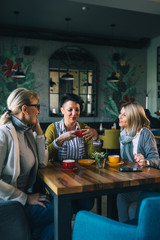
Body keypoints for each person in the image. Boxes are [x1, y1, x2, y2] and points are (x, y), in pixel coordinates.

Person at [0, 88, 54, 240]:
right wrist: (26, 198)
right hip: (9, 203)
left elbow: (42, 163)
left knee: (57, 221)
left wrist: (40, 133)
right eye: (36, 106)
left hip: (23, 197)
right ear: (24, 109)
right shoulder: (3, 134)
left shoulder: (27, 132)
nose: (38, 111)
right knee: (61, 211)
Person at [45, 93, 101, 212]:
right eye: (70, 110)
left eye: (77, 110)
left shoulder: (84, 128)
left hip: (81, 176)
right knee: (66, 206)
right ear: (62, 110)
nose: (74, 113)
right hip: (58, 177)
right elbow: (44, 156)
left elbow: (93, 157)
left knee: (88, 203)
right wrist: (59, 140)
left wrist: (95, 138)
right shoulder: (53, 129)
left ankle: (77, 223)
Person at [117, 102, 160, 222]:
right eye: (120, 114)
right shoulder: (123, 135)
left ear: (133, 117)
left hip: (145, 184)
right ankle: (126, 229)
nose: (119, 117)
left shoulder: (144, 133)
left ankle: (125, 230)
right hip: (130, 181)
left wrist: (145, 162)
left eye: (124, 115)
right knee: (120, 196)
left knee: (121, 197)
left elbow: (156, 160)